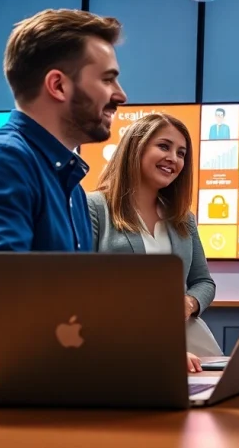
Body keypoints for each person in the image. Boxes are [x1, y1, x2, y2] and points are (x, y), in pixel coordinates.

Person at [86, 113, 221, 357]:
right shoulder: (94, 207)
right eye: (164, 146)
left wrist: (189, 302)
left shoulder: (184, 218)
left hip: (188, 343)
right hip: (119, 345)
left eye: (181, 153)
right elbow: (83, 289)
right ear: (135, 147)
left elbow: (203, 282)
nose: (173, 158)